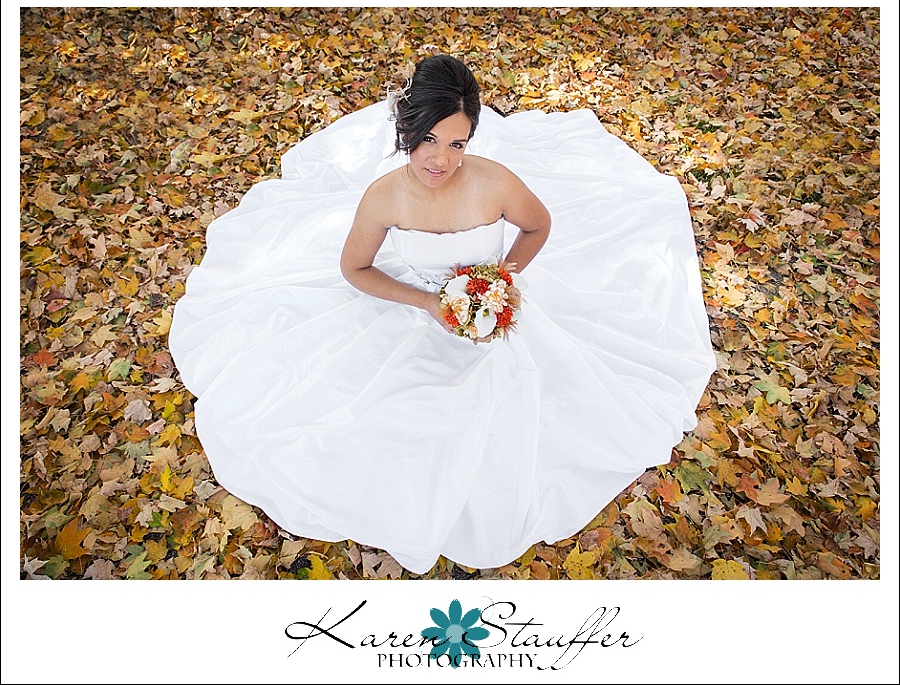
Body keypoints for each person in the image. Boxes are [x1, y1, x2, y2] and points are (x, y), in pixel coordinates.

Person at [168, 54, 716, 575]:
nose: (441, 160)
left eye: (457, 143)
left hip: (491, 297)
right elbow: (354, 269)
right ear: (407, 132)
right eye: (428, 140)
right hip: (418, 306)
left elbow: (538, 226)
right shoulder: (385, 196)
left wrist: (503, 278)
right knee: (385, 425)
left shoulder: (494, 182)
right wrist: (429, 303)